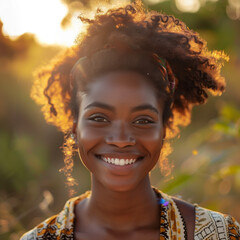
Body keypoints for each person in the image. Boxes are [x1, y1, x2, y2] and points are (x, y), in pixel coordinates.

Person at [21, 1, 240, 239]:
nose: (121, 139)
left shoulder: (217, 234)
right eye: (99, 118)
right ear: (75, 128)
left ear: (163, 130)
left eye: (143, 121)